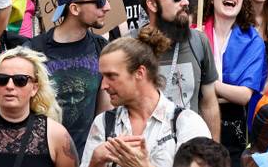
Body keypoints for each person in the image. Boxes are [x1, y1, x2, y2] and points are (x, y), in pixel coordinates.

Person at [81, 37, 211, 167]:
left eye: (111, 76)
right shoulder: (103, 123)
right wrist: (94, 162)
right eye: (103, 76)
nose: (103, 85)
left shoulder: (186, 124)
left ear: (139, 73)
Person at [26, 0, 110, 155]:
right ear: (74, 8)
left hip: (86, 157)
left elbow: (105, 113)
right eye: (100, 2)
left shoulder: (102, 48)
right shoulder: (34, 51)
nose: (108, 7)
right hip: (41, 156)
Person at [0, 47, 78, 167]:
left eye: (20, 80)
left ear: (34, 88)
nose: (9, 86)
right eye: (2, 79)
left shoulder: (56, 135)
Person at [136, 0, 221, 138]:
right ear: (152, 5)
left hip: (190, 152)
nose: (185, 2)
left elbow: (209, 103)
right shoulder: (131, 46)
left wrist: (214, 153)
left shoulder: (198, 41)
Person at [200, 0, 267, 166]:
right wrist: (223, 90)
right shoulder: (195, 32)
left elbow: (244, 95)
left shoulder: (252, 40)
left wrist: (208, 84)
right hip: (197, 117)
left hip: (234, 124)